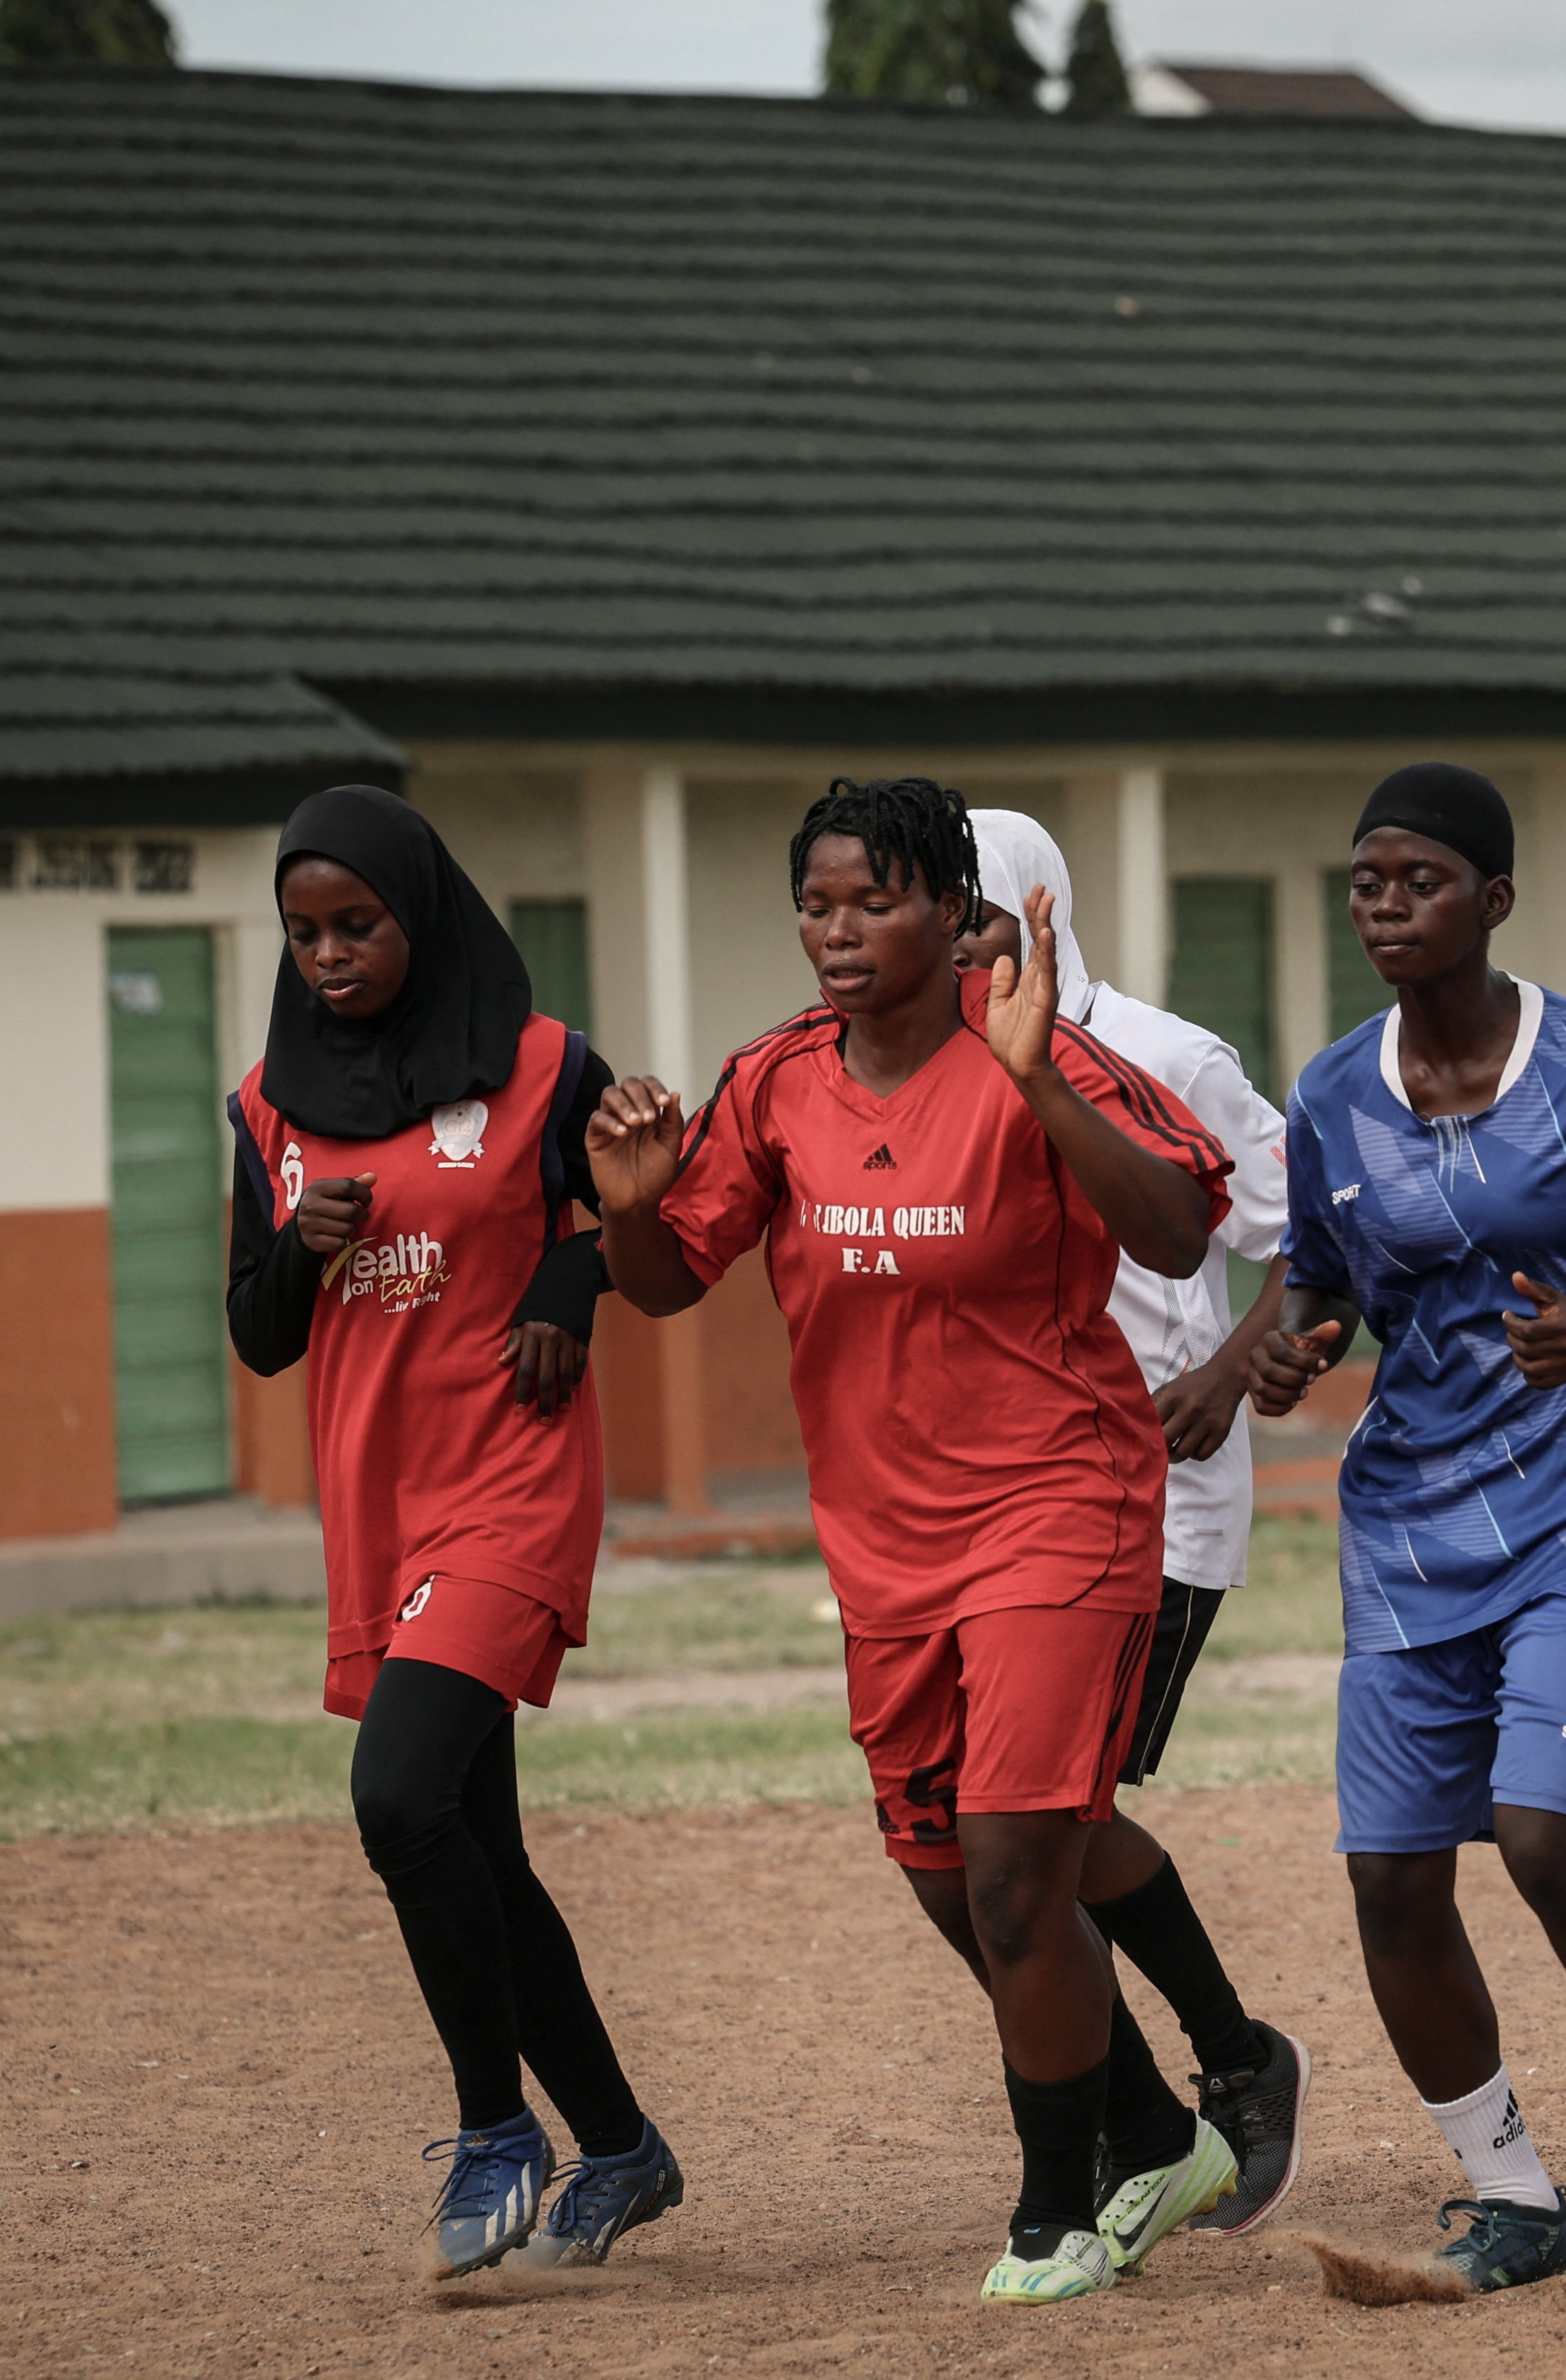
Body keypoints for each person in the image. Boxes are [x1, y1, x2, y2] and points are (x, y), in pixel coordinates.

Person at [590, 778, 1242, 2306]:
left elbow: (1176, 1229)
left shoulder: (1042, 1051)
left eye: (872, 901)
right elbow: (673, 1275)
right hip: (884, 1545)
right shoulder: (776, 1082)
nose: (836, 933)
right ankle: (1160, 2133)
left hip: (1059, 1505)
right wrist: (625, 1214)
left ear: (954, 909)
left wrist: (1046, 1091)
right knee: (956, 1881)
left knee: (1021, 1870)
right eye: (817, 904)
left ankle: (1054, 2211)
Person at [1243, 764, 1566, 2300]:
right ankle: (1512, 2189)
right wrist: (1292, 1339)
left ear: (1495, 900)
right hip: (1411, 1516)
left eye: (1418, 879)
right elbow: (1320, 1277)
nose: (1385, 905)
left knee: (1541, 1832)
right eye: (1366, 882)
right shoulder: (1335, 1089)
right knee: (1394, 1880)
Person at [225, 786, 679, 2279]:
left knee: (399, 1795)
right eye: (304, 932)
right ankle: (620, 2142)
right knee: (475, 1844)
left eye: (356, 923)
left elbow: (632, 1221)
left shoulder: (546, 1065)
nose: (330, 955)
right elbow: (260, 1336)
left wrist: (569, 1282)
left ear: (421, 910)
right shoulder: (267, 1107)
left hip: (513, 1478)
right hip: (379, 1499)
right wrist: (295, 1250)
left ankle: (497, 2126)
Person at [954, 809, 1314, 2231]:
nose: (950, 942)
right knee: (1035, 1820)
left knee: (1044, 1822)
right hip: (1000, 1503)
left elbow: (1311, 1232)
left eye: (969, 912)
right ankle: (1201, 2077)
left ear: (1035, 908)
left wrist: (1233, 1371)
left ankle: (1189, 2089)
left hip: (1154, 1499)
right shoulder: (933, 1069)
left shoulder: (1172, 1060)